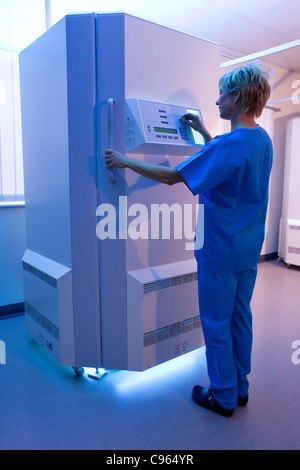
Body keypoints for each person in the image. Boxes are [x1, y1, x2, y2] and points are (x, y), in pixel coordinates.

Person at [105, 62, 273, 417]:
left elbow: (171, 177)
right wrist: (203, 133)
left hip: (220, 252)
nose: (216, 101)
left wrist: (125, 161)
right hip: (246, 251)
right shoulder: (261, 139)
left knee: (215, 324)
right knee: (240, 317)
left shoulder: (230, 145)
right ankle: (240, 386)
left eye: (222, 93)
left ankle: (223, 396)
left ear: (237, 97)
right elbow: (229, 161)